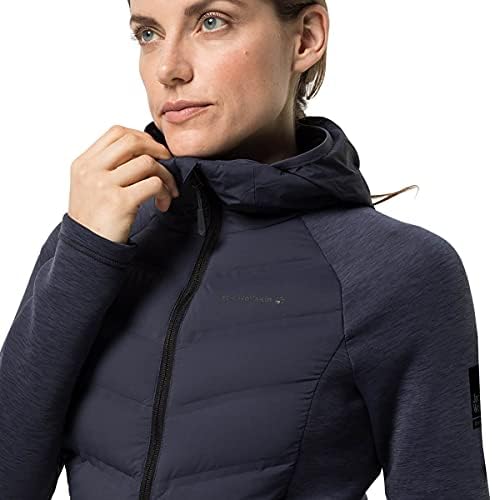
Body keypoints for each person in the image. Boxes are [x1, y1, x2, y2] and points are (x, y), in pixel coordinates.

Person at [0, 0, 488, 499]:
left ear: (306, 38)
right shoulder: (99, 238)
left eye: (212, 22)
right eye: (148, 33)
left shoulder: (398, 272)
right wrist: (83, 253)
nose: (169, 69)